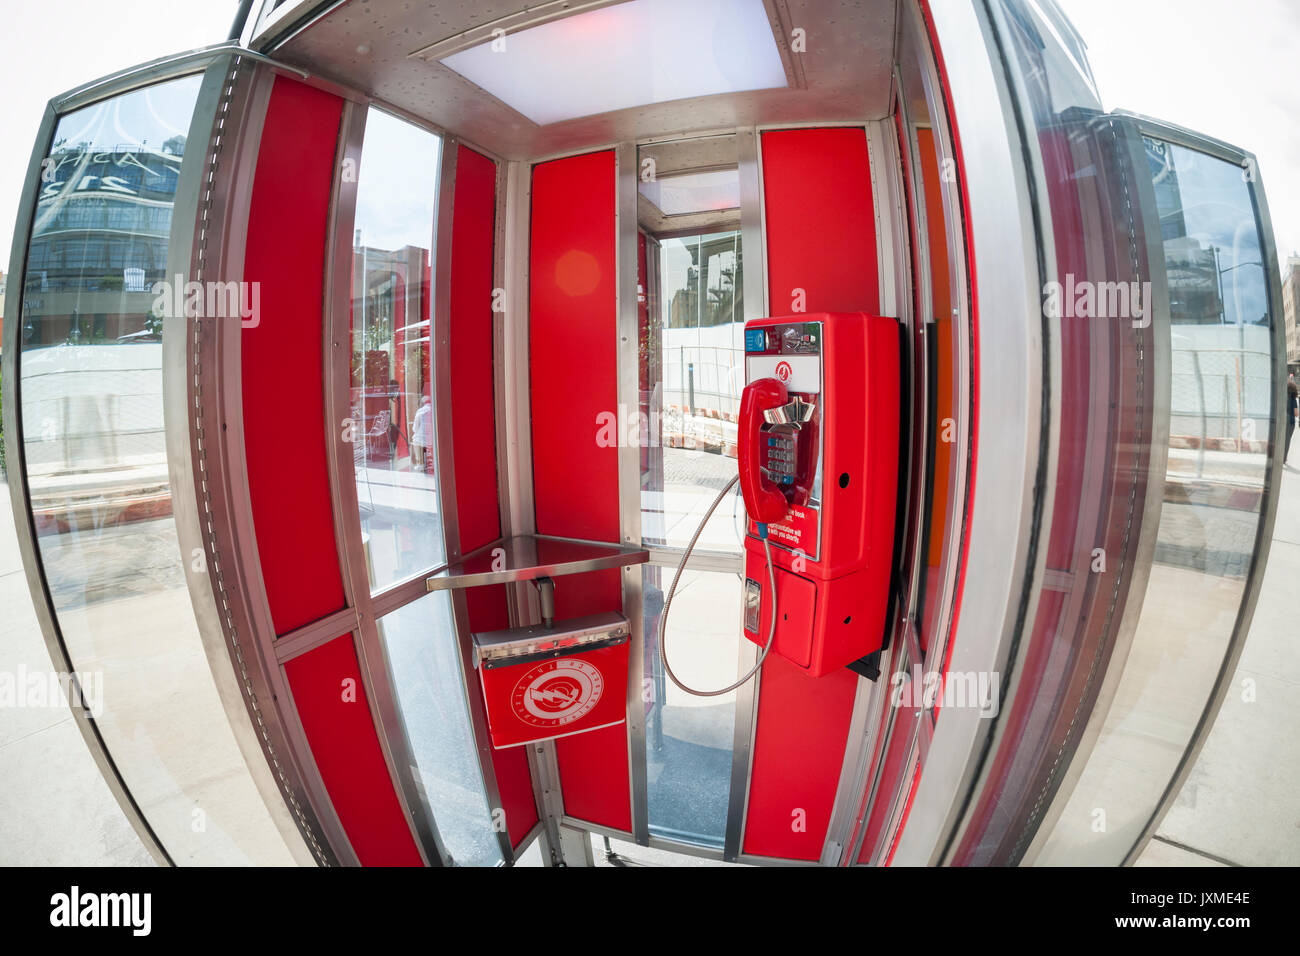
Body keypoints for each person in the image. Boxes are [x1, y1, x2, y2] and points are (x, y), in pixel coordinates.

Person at [411, 394, 433, 473]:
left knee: (415, 441)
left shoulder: (420, 411)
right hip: (432, 438)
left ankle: (420, 463)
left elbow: (415, 428)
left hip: (422, 439)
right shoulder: (434, 410)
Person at [1287, 374, 1298, 463]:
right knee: (1287, 441)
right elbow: (1296, 414)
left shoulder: (1283, 398)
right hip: (1291, 423)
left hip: (1283, 422)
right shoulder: (1294, 400)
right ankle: (1284, 458)